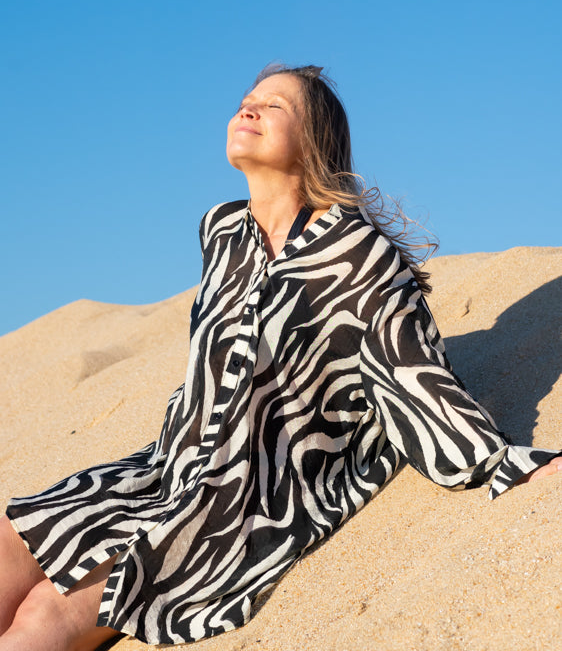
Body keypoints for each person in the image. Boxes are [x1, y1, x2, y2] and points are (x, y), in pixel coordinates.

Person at [1, 63, 561, 651]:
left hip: (243, 502)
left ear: (315, 141)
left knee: (48, 613)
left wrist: (504, 464)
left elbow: (412, 377)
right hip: (161, 469)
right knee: (10, 544)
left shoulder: (353, 251)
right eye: (246, 100)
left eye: (274, 106)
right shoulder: (221, 233)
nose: (249, 109)